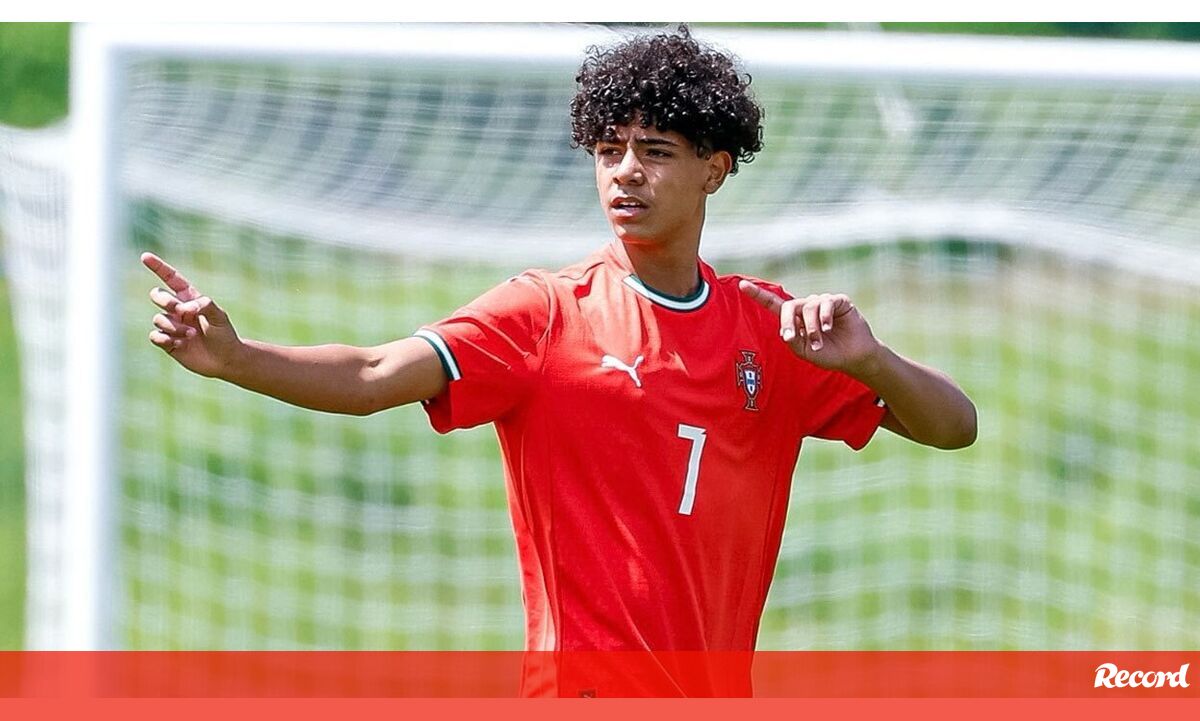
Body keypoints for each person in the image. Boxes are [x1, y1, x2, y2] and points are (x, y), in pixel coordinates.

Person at [142, 26, 977, 697]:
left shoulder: (768, 328)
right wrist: (237, 357)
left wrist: (872, 360)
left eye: (655, 150)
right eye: (608, 150)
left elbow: (954, 426)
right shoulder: (544, 313)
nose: (625, 172)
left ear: (714, 170)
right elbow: (371, 374)